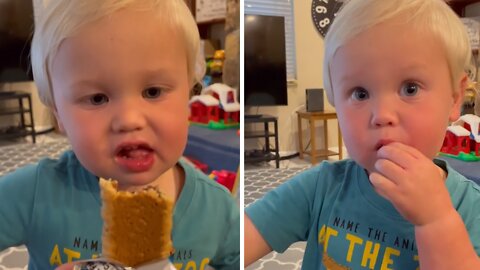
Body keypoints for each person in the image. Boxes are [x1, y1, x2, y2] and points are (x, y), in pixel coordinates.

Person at [0, 1, 240, 269]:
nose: (129, 120)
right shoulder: (35, 194)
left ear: (189, 93)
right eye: (97, 98)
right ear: (58, 114)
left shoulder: (217, 210)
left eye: (153, 92)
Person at [245, 0, 480, 269]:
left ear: (454, 98)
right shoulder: (321, 188)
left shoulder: (471, 210)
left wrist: (436, 222)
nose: (382, 115)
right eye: (360, 93)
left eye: (410, 88)